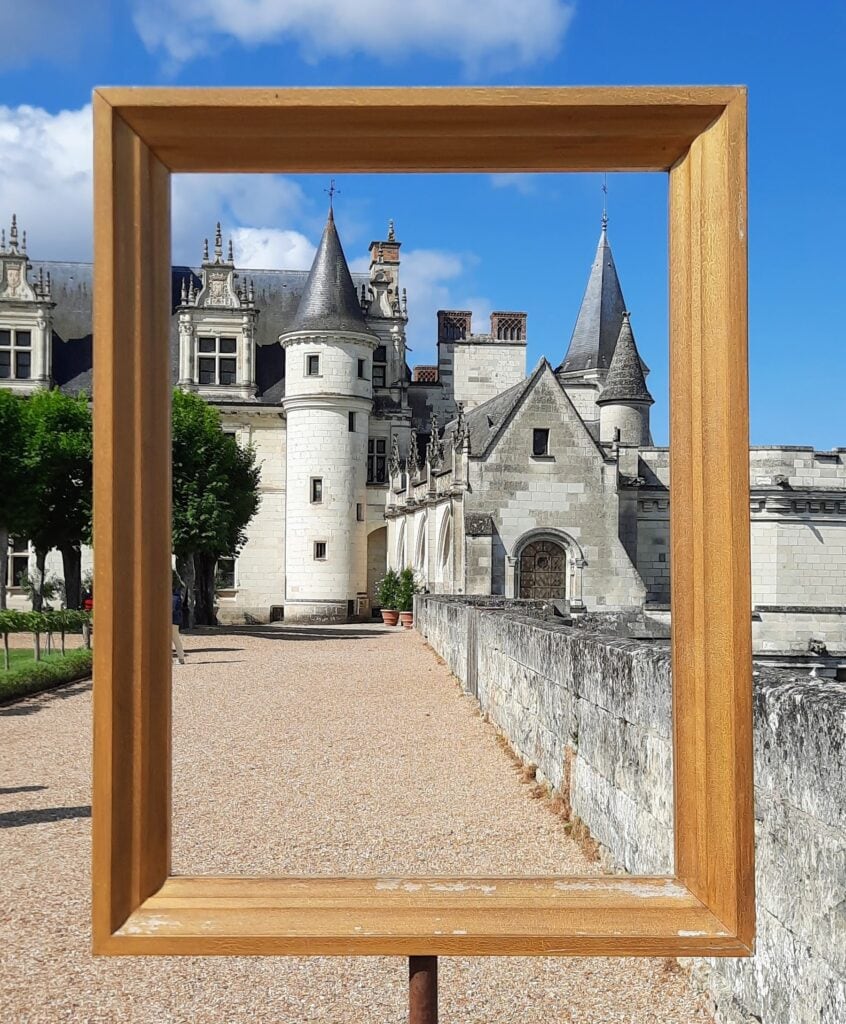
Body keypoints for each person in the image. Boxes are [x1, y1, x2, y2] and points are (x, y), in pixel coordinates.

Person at [172, 572, 186, 665]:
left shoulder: (173, 594)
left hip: (171, 618)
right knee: (176, 638)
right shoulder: (178, 593)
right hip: (175, 618)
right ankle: (181, 658)